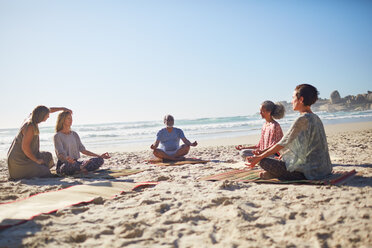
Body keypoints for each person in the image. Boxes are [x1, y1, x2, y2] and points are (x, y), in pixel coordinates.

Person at [246, 84, 332, 180]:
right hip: (324, 169)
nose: (292, 102)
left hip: (311, 172)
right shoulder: (316, 118)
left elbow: (282, 143)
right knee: (274, 160)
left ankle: (279, 175)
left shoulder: (303, 119)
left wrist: (259, 158)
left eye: (293, 98)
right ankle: (272, 175)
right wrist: (284, 156)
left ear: (301, 99)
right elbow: (302, 145)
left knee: (263, 161)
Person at [7, 106, 71, 180]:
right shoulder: (30, 126)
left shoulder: (33, 116)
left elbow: (47, 110)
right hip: (19, 162)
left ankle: (37, 168)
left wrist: (62, 108)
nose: (48, 117)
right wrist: (36, 160)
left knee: (48, 156)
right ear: (41, 115)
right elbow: (25, 148)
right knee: (45, 172)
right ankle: (35, 170)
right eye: (47, 115)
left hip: (27, 156)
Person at [53, 111, 110, 175]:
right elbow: (60, 154)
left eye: (71, 118)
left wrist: (99, 156)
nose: (71, 120)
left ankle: (80, 169)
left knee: (99, 160)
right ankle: (81, 168)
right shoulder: (57, 136)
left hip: (76, 163)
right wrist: (67, 159)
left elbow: (83, 150)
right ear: (62, 120)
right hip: (65, 164)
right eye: (68, 118)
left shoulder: (74, 134)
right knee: (67, 166)